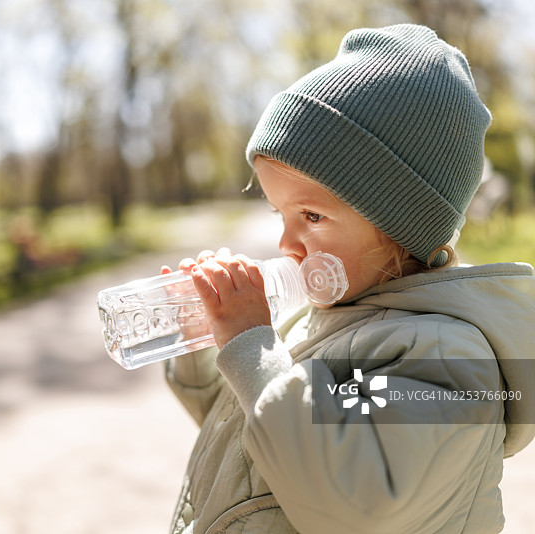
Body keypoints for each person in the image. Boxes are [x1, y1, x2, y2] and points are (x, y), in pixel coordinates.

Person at [162, 24, 535, 533]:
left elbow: (354, 502)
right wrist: (206, 342)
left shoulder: (446, 355)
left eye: (311, 217)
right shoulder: (314, 322)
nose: (286, 245)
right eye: (280, 214)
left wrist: (253, 347)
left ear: (400, 222)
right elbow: (245, 428)